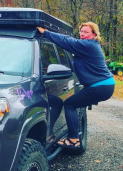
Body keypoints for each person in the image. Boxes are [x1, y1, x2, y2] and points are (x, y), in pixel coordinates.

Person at [37, 22, 115, 150]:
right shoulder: (88, 45)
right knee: (72, 103)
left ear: (94, 34)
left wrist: (45, 33)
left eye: (86, 32)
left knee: (69, 104)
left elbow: (67, 41)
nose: (82, 34)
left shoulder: (88, 45)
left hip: (100, 86)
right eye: (81, 31)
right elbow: (69, 41)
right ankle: (72, 137)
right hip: (102, 85)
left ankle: (73, 140)